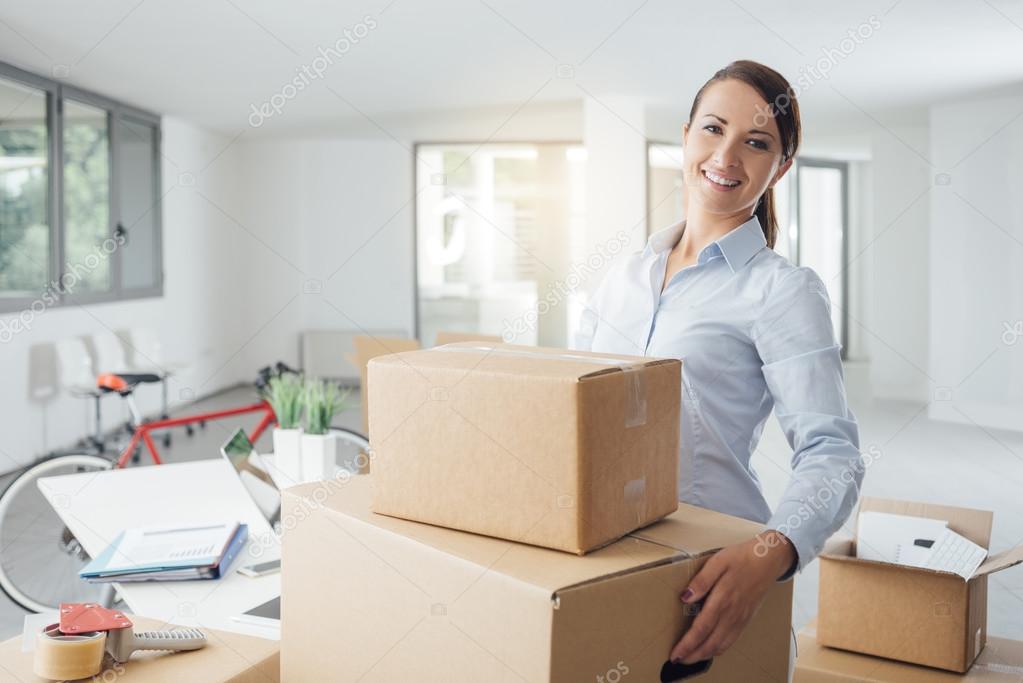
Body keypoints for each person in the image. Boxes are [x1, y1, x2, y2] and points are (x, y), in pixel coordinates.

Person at [575, 60, 862, 669]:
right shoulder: (622, 276)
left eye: (756, 142)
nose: (726, 156)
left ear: (780, 167)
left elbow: (832, 453)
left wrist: (772, 551)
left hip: (711, 572)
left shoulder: (782, 292)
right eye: (712, 129)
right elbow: (571, 408)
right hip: (601, 550)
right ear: (685, 136)